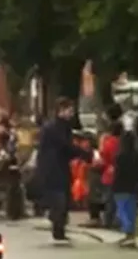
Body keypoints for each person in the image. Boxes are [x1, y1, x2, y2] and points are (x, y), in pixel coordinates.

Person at [34, 98, 93, 244]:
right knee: (59, 197)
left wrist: (80, 153)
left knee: (63, 196)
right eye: (69, 110)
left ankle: (59, 227)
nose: (71, 114)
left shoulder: (60, 126)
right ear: (61, 110)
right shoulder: (55, 127)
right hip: (53, 167)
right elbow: (65, 146)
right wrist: (83, 153)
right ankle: (57, 226)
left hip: (58, 166)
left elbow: (66, 148)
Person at [112, 114, 138, 247]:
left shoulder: (120, 156)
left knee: (122, 211)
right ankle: (131, 234)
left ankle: (128, 233)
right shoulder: (136, 156)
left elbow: (117, 172)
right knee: (131, 211)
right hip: (133, 186)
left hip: (120, 187)